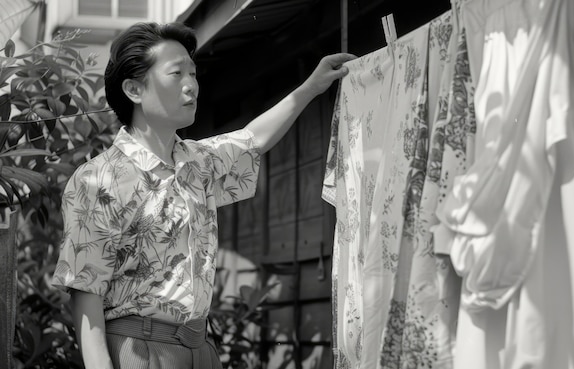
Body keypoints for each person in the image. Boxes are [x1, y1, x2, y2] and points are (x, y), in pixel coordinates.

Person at [51, 22, 355, 369]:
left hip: (201, 349)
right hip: (140, 349)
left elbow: (252, 139)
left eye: (193, 74)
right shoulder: (97, 180)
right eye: (176, 73)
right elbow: (86, 293)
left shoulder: (197, 162)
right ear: (134, 89)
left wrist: (312, 87)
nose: (191, 85)